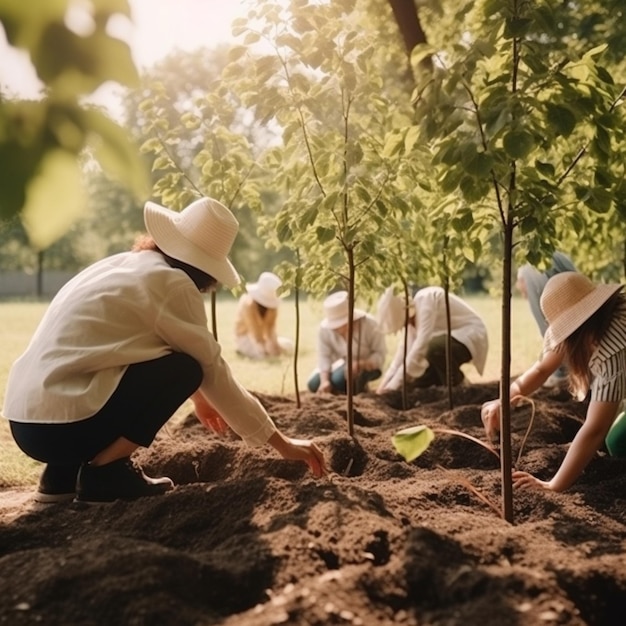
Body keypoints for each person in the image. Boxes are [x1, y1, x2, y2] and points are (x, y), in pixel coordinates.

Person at [1, 197, 326, 504]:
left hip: (27, 422)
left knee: (147, 368)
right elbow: (210, 367)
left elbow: (122, 349)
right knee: (186, 370)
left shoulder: (121, 264)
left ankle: (60, 476)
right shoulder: (172, 283)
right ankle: (105, 472)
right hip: (65, 428)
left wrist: (199, 398)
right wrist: (282, 444)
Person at [481, 271, 626, 492]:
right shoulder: (593, 324)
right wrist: (505, 400)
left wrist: (553, 485)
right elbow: (541, 369)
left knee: (617, 441)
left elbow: (595, 429)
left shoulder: (612, 351)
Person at [375, 286, 489, 393]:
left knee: (433, 348)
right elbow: (402, 356)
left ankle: (459, 387)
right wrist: (384, 386)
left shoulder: (425, 300)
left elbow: (420, 347)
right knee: (417, 383)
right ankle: (446, 389)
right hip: (448, 342)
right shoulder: (411, 325)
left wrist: (392, 386)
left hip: (470, 335)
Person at [516, 251, 577, 387]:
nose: (524, 297)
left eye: (524, 293)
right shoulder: (551, 258)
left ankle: (563, 373)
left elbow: (543, 368)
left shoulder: (532, 276)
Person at [307, 290, 386, 395]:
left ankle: (358, 389)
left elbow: (380, 354)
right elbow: (324, 357)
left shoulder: (370, 325)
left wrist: (361, 364)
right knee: (313, 383)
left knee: (338, 380)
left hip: (367, 366)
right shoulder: (324, 330)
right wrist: (324, 381)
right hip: (341, 365)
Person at [234, 271, 293, 359]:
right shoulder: (247, 304)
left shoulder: (272, 308)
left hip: (264, 338)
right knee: (261, 354)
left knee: (289, 345)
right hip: (246, 337)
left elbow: (271, 329)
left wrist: (275, 345)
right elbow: (255, 334)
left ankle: (265, 350)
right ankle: (243, 350)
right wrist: (266, 347)